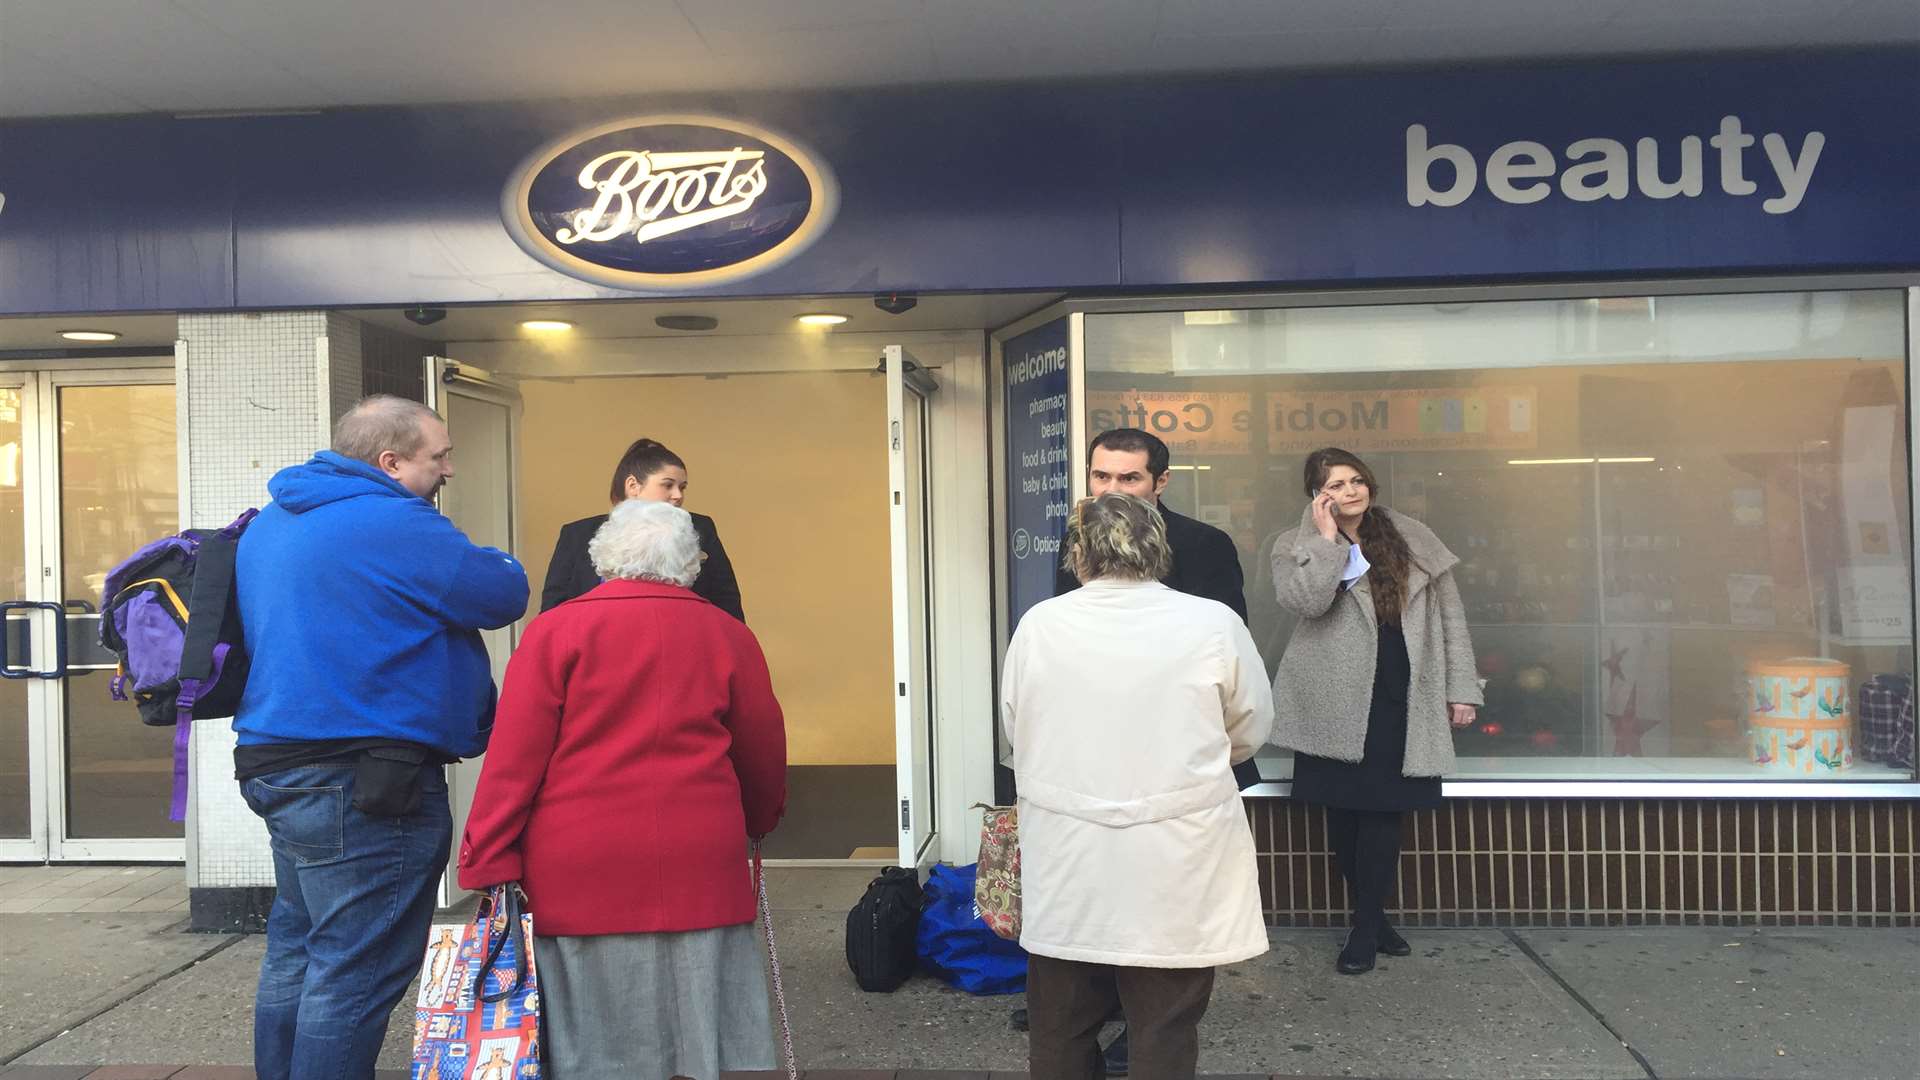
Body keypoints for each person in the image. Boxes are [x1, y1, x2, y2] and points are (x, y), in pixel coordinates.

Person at [231, 395, 529, 1080]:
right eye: (440, 456)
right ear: (390, 462)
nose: (450, 469)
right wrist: (501, 562)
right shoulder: (396, 522)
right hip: (367, 779)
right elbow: (500, 593)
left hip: (279, 764)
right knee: (354, 973)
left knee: (298, 953)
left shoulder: (275, 520)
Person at [460, 498, 789, 1080]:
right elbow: (761, 749)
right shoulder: (728, 634)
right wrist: (759, 819)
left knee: (594, 1042)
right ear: (692, 564)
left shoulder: (554, 631)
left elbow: (513, 761)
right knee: (695, 1033)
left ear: (603, 557)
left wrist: (488, 856)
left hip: (580, 861)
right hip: (699, 857)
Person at [1003, 493, 1272, 1080]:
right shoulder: (1212, 623)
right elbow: (1250, 728)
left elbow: (1015, 726)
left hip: (1069, 849)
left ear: (1079, 553)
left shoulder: (1040, 625)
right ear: (1159, 550)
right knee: (1165, 1023)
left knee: (1060, 1021)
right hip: (1178, 851)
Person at [1269, 447, 1482, 975]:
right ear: (1317, 495)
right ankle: (1375, 918)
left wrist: (1462, 688)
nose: (1350, 492)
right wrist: (1324, 545)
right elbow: (1307, 604)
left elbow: (1451, 616)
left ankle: (1365, 929)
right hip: (1333, 697)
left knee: (1384, 813)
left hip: (1402, 687)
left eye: (1356, 480)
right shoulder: (1293, 545)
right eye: (1336, 485)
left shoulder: (1412, 536)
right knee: (1342, 816)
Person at [541, 437, 743, 619]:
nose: (678, 495)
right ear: (633, 486)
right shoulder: (577, 534)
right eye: (667, 485)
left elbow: (726, 598)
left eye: (682, 487)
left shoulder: (699, 528)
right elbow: (554, 605)